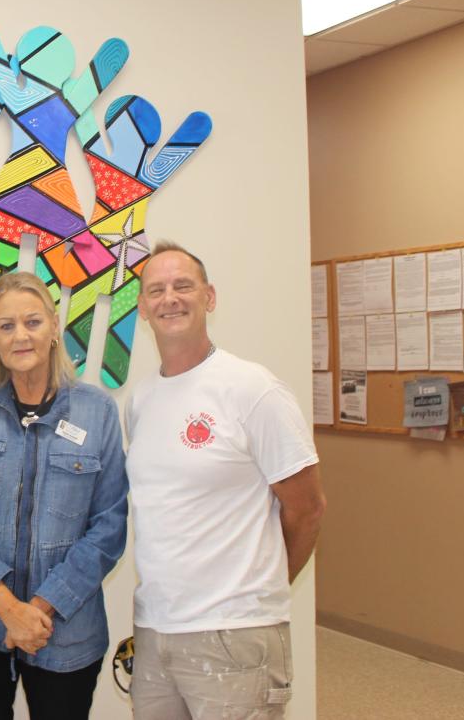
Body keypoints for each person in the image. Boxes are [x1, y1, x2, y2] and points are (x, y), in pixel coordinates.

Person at [126, 241, 327, 719]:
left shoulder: (253, 389)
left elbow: (308, 507)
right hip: (156, 632)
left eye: (183, 286)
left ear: (209, 297)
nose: (169, 298)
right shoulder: (142, 398)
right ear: (142, 307)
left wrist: (259, 588)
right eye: (156, 290)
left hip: (236, 635)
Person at [0, 271, 129, 720]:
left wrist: (37, 609)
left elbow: (109, 527)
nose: (21, 335)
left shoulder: (97, 411)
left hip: (65, 629)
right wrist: (6, 606)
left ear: (55, 327)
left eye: (32, 322)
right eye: (6, 326)